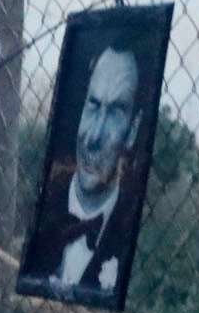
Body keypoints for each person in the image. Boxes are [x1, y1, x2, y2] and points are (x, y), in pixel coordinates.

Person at [26, 41, 144, 299]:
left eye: (115, 112)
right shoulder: (40, 208)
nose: (92, 137)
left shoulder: (132, 234)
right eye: (92, 106)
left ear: (133, 130)